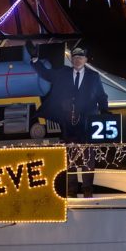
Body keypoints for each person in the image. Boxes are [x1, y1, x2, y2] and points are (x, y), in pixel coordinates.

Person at [28, 43, 109, 198]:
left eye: (81, 57)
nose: (78, 60)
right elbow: (46, 74)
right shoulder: (62, 73)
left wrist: (104, 111)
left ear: (86, 59)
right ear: (71, 59)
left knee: (88, 157)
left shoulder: (94, 77)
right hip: (68, 123)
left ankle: (87, 190)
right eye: (75, 57)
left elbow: (101, 97)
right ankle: (71, 191)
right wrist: (35, 59)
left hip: (86, 123)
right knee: (70, 157)